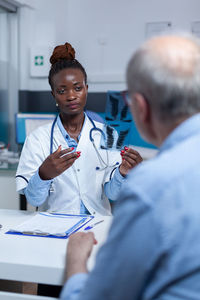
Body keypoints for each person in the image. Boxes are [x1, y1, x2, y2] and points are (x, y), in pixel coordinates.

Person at [60, 33, 200, 300]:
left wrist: (76, 261)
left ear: (141, 109)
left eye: (78, 88)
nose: (71, 96)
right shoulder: (41, 137)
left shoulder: (153, 185)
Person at [16, 42, 142, 215]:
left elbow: (113, 194)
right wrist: (43, 175)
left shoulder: (109, 134)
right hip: (55, 226)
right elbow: (34, 200)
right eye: (62, 90)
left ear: (86, 90)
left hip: (96, 226)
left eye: (77, 88)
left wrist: (124, 173)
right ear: (54, 95)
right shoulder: (37, 139)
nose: (71, 96)